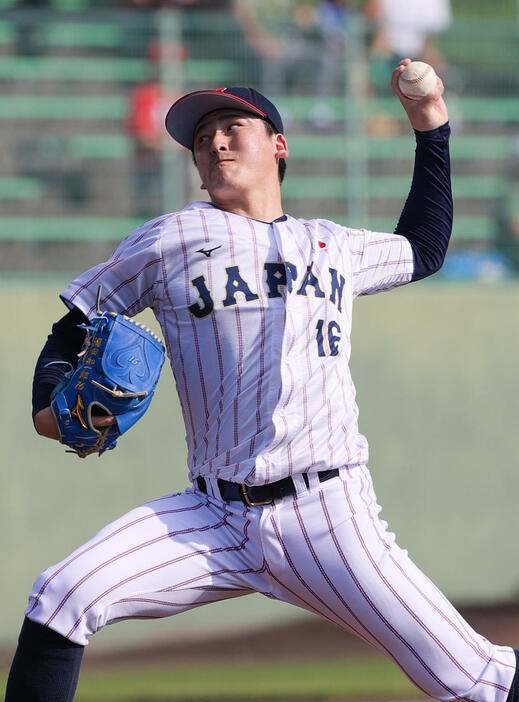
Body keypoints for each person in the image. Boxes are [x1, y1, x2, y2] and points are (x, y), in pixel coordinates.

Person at [5, 63, 519, 702]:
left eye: (231, 127)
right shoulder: (172, 238)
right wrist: (45, 407)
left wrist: (430, 124)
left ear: (277, 144)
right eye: (201, 139)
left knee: (475, 681)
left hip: (326, 513)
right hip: (211, 513)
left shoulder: (330, 244)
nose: (214, 142)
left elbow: (425, 245)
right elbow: (72, 324)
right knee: (60, 598)